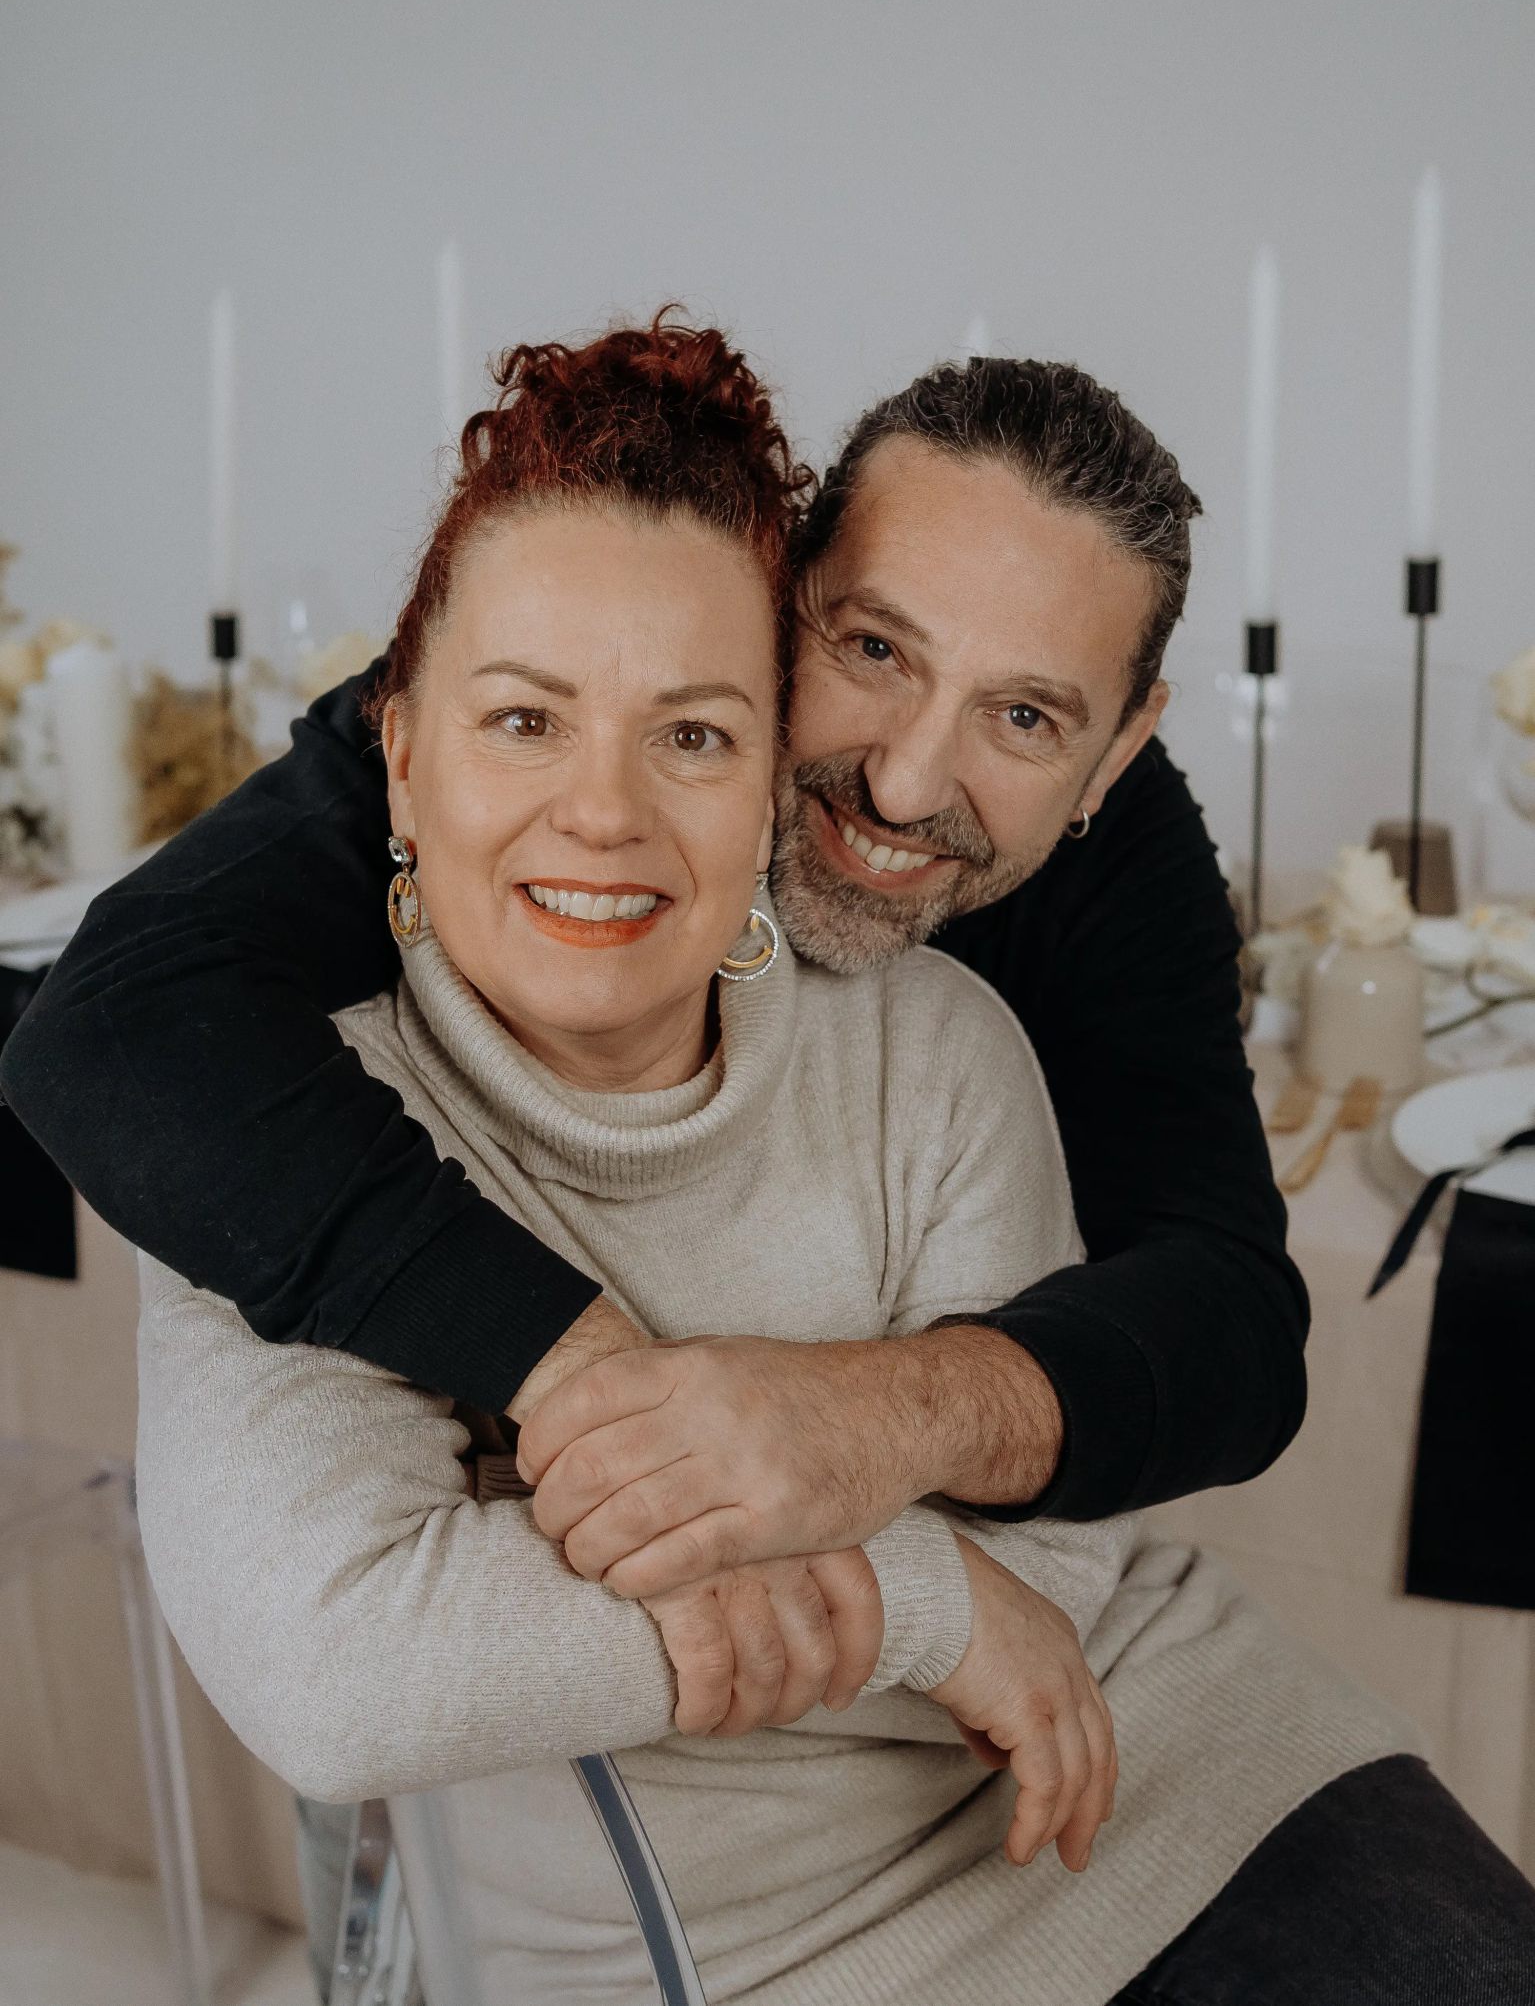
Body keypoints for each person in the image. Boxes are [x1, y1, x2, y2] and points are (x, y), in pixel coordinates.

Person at [133, 319, 1416, 2006]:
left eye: (1026, 714)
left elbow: (1214, 1341)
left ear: (1115, 749)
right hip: (752, 1908)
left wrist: (864, 1420)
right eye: (873, 646)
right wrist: (909, 1588)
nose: (904, 774)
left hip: (1127, 1742)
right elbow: (354, 1663)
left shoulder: (954, 1039)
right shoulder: (272, 1095)